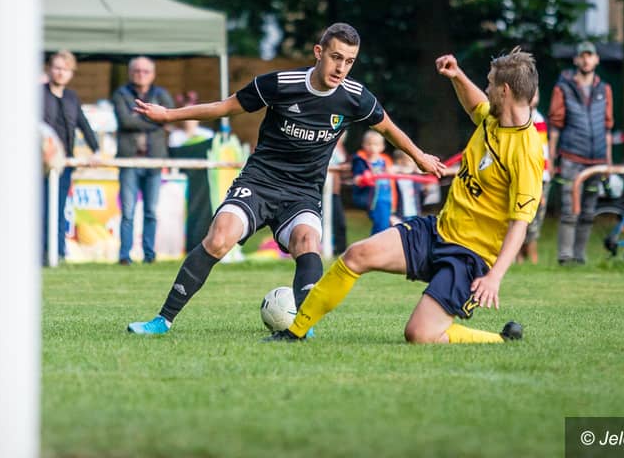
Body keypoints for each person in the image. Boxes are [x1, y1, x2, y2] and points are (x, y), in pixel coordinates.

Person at [126, 23, 444, 335]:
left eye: (349, 61)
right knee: (220, 237)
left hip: (302, 193)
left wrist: (419, 157)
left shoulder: (355, 97)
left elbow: (387, 127)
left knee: (308, 241)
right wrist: (168, 115)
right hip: (259, 182)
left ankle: (302, 328)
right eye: (335, 57)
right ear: (318, 52)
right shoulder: (280, 84)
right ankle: (162, 321)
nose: (341, 68)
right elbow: (224, 108)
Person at [270, 48, 542, 345]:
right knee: (357, 255)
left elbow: (520, 223)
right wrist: (457, 76)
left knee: (419, 335)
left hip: (470, 257)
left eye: (490, 83)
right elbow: (474, 105)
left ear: (504, 90)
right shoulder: (492, 119)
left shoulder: (526, 152)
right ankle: (294, 333)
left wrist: (494, 277)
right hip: (439, 231)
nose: (486, 89)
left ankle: (501, 340)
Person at [548, 41, 614, 265]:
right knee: (569, 210)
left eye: (590, 56)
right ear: (576, 60)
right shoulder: (563, 88)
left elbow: (607, 127)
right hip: (571, 158)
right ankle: (565, 256)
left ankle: (580, 256)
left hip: (597, 161)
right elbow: (555, 126)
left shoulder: (605, 89)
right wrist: (551, 159)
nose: (586, 60)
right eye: (582, 56)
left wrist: (609, 162)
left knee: (588, 212)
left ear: (596, 59)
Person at [112, 56, 174, 265]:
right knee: (127, 212)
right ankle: (124, 256)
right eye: (137, 70)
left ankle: (149, 255)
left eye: (145, 71)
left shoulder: (161, 94)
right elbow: (125, 121)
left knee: (151, 212)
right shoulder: (121, 94)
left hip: (154, 160)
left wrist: (142, 119)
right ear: (130, 73)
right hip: (129, 161)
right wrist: (156, 121)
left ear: (153, 74)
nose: (141, 74)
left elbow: (170, 117)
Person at [41, 50, 99, 262]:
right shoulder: (37, 94)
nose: (60, 73)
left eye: (65, 69)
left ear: (71, 73)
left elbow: (83, 124)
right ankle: (41, 253)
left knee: (58, 209)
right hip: (40, 164)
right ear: (49, 69)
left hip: (64, 164)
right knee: (41, 209)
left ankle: (58, 252)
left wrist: (96, 150)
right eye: (57, 68)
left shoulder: (72, 97)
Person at [518, 88, 550, 264]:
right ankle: (519, 258)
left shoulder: (538, 120)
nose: (532, 97)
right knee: (519, 218)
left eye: (535, 94)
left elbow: (542, 152)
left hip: (540, 176)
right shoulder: (513, 119)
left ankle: (531, 258)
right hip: (521, 175)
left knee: (535, 220)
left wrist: (543, 177)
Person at [351, 131, 395, 234]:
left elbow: (394, 176)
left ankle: (375, 242)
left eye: (376, 144)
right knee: (382, 227)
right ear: (363, 145)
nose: (372, 148)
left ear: (382, 147)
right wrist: (364, 178)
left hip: (388, 199)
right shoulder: (360, 161)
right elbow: (356, 179)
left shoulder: (385, 161)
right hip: (374, 200)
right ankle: (376, 243)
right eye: (369, 144)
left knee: (385, 226)